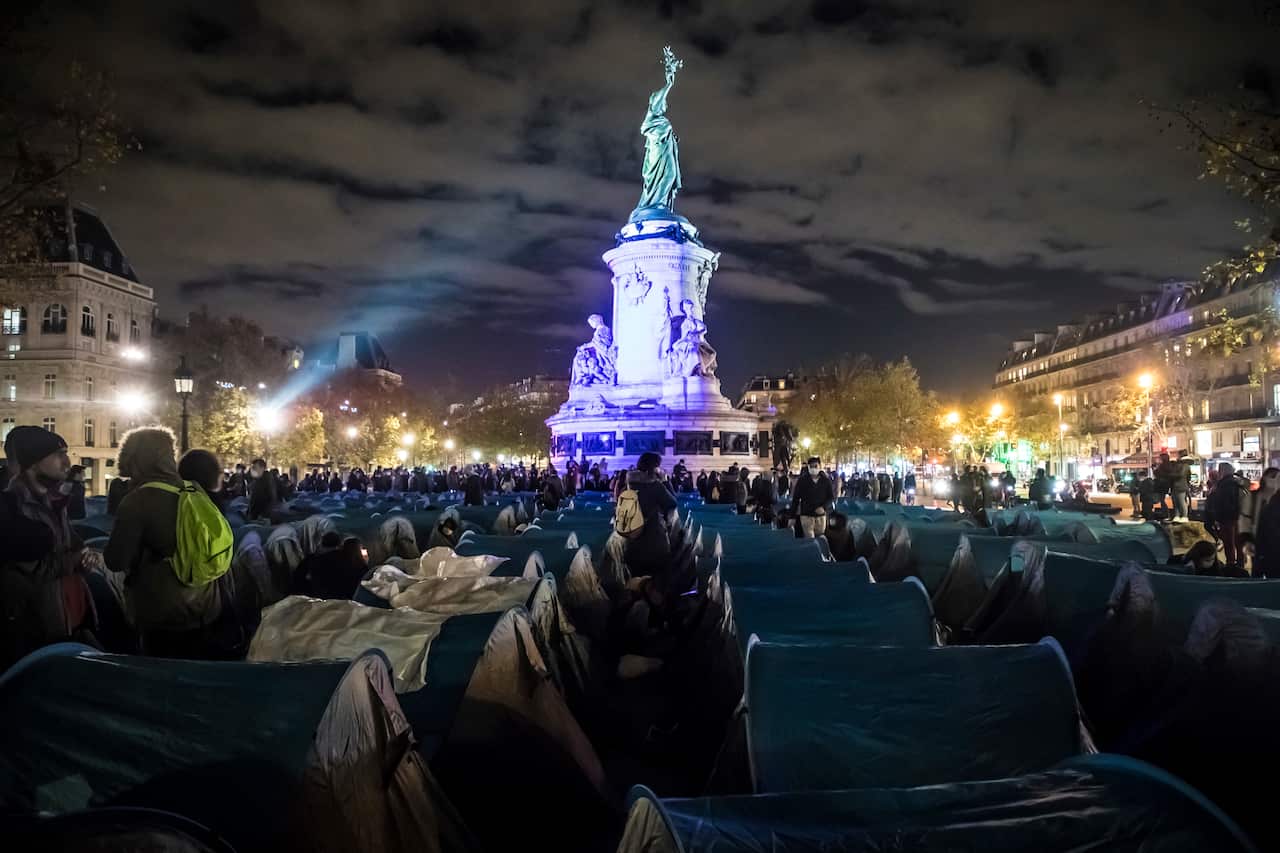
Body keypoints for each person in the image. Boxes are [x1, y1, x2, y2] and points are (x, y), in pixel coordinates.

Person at [104, 427, 229, 658]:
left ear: (134, 458)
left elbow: (115, 560)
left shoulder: (137, 500)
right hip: (206, 604)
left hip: (164, 612)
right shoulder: (193, 490)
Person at [1, 427, 95, 667]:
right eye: (58, 454)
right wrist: (72, 561)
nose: (67, 462)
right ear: (32, 462)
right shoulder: (11, 508)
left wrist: (85, 557)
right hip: (32, 630)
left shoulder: (55, 503)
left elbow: (70, 545)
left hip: (68, 618)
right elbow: (21, 574)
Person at [622, 452, 677, 580]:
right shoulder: (655, 486)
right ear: (654, 467)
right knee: (655, 581)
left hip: (632, 539)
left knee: (636, 579)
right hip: (654, 539)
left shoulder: (629, 484)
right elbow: (672, 503)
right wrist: (665, 481)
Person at [1205, 462, 1251, 571]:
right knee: (1239, 543)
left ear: (1223, 471)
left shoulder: (1223, 485)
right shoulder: (1239, 483)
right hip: (1240, 518)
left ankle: (1231, 566)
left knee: (1229, 544)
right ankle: (1240, 565)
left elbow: (1220, 504)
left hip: (1227, 519)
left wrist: (1216, 519)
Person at [793, 456, 835, 539]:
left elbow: (831, 497)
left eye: (815, 466)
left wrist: (824, 507)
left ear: (819, 466)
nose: (813, 468)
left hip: (821, 516)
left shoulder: (825, 481)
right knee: (810, 539)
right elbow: (796, 499)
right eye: (811, 466)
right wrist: (792, 516)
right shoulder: (802, 481)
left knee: (820, 538)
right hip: (806, 515)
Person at [1169, 451, 1192, 522]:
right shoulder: (1180, 465)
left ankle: (1184, 516)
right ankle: (1177, 515)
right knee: (1176, 502)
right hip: (1177, 486)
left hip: (1180, 486)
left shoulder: (1184, 465)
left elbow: (1181, 474)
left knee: (1181, 502)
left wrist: (1171, 475)